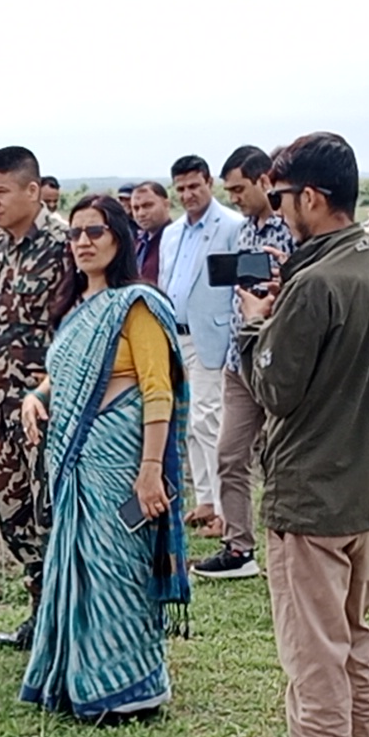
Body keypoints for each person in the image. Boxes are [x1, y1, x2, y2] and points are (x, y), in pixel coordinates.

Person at [237, 133, 369, 737]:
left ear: (310, 197)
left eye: (280, 198)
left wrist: (256, 328)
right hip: (368, 490)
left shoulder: (314, 285)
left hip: (310, 498)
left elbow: (276, 389)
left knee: (313, 663)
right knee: (355, 647)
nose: (278, 212)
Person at [16, 195, 189, 721]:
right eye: (75, 234)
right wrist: (35, 396)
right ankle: (80, 680)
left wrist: (150, 471)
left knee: (117, 567)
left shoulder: (137, 304)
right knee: (80, 566)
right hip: (76, 464)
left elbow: (157, 390)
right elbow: (62, 375)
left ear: (120, 237)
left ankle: (128, 688)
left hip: (121, 463)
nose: (83, 242)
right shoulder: (77, 310)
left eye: (95, 231)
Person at [0, 146, 75, 650]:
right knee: (13, 511)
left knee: (50, 509)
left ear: (33, 191)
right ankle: (39, 615)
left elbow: (82, 318)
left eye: (1, 191)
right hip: (5, 403)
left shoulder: (65, 244)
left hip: (49, 403)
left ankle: (66, 619)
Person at [195, 144, 292, 579]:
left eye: (238, 189)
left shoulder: (292, 227)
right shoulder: (246, 230)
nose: (233, 198)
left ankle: (288, 545)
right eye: (230, 191)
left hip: (279, 360)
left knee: (280, 457)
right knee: (230, 455)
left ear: (264, 180)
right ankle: (238, 548)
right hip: (240, 361)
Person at [155, 154, 244, 531]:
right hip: (176, 336)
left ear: (209, 183)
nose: (188, 194)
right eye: (182, 188)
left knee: (209, 420)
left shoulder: (232, 226)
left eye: (195, 186)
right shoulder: (172, 233)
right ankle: (205, 499)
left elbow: (239, 287)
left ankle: (225, 510)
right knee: (189, 421)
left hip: (212, 335)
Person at [130, 181, 172, 285]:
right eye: (136, 208)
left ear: (166, 204)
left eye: (148, 206)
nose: (141, 213)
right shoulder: (138, 242)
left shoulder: (176, 241)